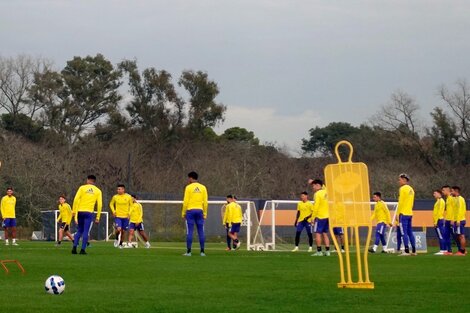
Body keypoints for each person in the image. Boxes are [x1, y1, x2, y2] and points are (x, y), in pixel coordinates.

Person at [72, 175, 103, 255]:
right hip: (89, 213)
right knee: (86, 231)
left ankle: (74, 248)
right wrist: (98, 216)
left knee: (79, 230)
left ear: (87, 180)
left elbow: (76, 199)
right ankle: (82, 250)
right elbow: (99, 204)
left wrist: (74, 210)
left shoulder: (82, 188)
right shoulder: (98, 191)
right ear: (94, 181)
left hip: (80, 211)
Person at [182, 171, 208, 256]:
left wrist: (183, 212)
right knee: (201, 231)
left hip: (190, 211)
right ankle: (202, 252)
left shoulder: (188, 187)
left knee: (190, 231)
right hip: (200, 210)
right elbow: (205, 202)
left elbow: (185, 201)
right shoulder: (203, 187)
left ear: (191, 178)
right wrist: (205, 213)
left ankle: (189, 252)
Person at [395, 173, 416, 256]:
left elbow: (400, 202)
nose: (399, 181)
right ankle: (414, 250)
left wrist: (397, 213)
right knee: (410, 232)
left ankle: (406, 251)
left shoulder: (402, 189)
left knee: (403, 232)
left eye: (399, 179)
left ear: (404, 180)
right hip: (410, 213)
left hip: (403, 213)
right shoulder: (412, 189)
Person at [310, 179, 330, 256]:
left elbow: (316, 206)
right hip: (327, 216)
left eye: (313, 186)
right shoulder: (327, 191)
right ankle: (327, 251)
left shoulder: (317, 194)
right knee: (325, 233)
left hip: (320, 216)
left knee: (318, 234)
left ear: (318, 185)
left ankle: (319, 251)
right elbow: (323, 186)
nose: (313, 188)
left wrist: (313, 218)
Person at [109, 184, 133, 248]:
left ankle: (120, 244)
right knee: (119, 229)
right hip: (118, 216)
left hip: (126, 217)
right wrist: (113, 211)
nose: (118, 190)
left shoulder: (128, 197)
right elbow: (111, 204)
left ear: (123, 189)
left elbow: (131, 206)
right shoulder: (115, 197)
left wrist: (129, 213)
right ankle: (116, 238)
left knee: (123, 231)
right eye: (117, 189)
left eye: (119, 189)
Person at [442, 185, 459, 254]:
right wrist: (446, 218)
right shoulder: (447, 198)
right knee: (446, 235)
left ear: (447, 190)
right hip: (447, 220)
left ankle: (461, 249)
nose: (442, 192)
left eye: (443, 190)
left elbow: (455, 210)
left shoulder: (452, 198)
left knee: (455, 235)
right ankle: (449, 250)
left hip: (452, 220)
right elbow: (449, 210)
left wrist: (453, 219)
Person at [452, 186, 467, 256]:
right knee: (458, 236)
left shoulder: (460, 199)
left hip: (460, 220)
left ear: (456, 191)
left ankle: (462, 252)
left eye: (452, 191)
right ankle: (462, 250)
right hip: (456, 220)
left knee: (461, 236)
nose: (451, 192)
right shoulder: (456, 199)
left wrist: (458, 220)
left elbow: (460, 211)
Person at [432, 189, 446, 255]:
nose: (434, 195)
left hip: (439, 220)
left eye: (435, 193)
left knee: (441, 235)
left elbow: (439, 212)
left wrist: (436, 222)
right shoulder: (438, 201)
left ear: (439, 194)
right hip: (438, 220)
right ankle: (443, 249)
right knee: (440, 235)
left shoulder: (441, 201)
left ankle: (443, 250)